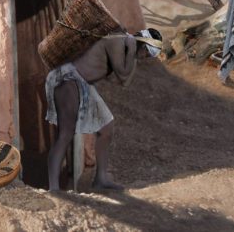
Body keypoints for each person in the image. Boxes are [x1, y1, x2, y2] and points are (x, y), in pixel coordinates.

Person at [45, 27, 162, 191]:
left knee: (107, 128)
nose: (145, 57)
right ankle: (54, 188)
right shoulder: (116, 40)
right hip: (69, 78)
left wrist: (133, 54)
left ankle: (100, 178)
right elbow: (122, 74)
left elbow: (125, 82)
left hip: (85, 84)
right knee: (65, 134)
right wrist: (132, 51)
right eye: (147, 53)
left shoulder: (129, 51)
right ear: (141, 44)